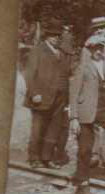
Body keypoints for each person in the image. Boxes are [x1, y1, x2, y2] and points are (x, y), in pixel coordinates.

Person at [69, 34, 105, 194]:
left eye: (101, 49)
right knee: (85, 148)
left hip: (103, 108)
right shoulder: (83, 66)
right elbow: (74, 92)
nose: (98, 52)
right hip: (85, 110)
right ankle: (83, 184)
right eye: (95, 49)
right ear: (90, 51)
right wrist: (73, 118)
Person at [23, 20, 71, 168]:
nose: (57, 39)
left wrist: (67, 100)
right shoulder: (37, 51)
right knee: (38, 128)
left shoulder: (62, 53)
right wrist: (34, 93)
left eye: (58, 36)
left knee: (53, 128)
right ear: (47, 37)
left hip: (59, 98)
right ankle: (34, 158)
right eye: (54, 36)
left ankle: (47, 157)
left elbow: (66, 75)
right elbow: (29, 75)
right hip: (40, 97)